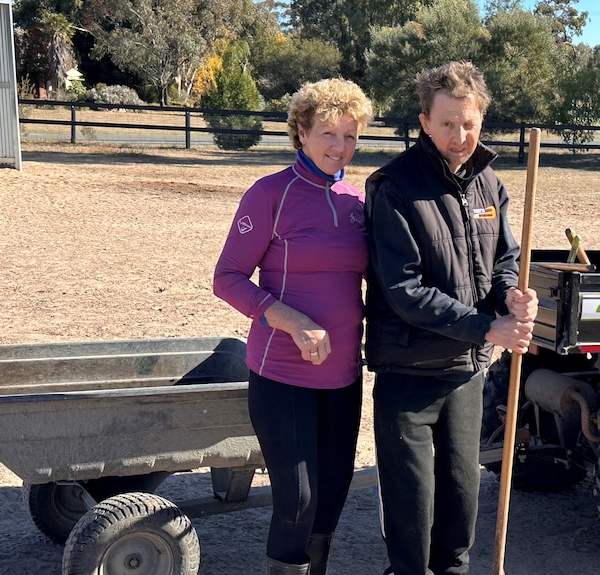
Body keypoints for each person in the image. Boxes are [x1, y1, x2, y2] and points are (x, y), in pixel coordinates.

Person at [363, 61, 539, 575]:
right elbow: (404, 291)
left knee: (461, 505)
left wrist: (509, 298)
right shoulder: (393, 188)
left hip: (466, 373)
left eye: (469, 123)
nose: (460, 136)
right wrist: (488, 328)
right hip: (408, 375)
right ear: (424, 120)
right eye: (447, 124)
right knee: (412, 513)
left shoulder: (490, 184)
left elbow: (503, 262)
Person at [213, 78, 373, 575]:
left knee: (331, 498)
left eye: (350, 135)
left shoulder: (356, 201)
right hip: (282, 375)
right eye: (328, 133)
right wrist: (292, 320)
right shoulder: (270, 195)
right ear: (300, 131)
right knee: (299, 499)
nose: (339, 146)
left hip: (344, 376)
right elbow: (228, 278)